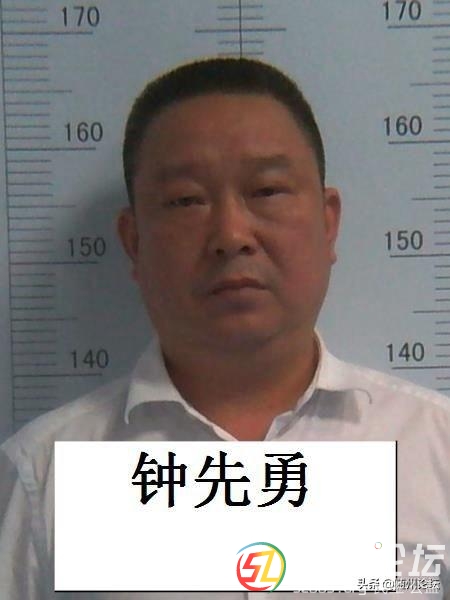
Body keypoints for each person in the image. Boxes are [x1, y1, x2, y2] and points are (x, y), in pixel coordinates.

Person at [0, 57, 449, 599]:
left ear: (328, 222)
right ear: (134, 242)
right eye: (186, 200)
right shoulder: (43, 472)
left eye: (267, 191)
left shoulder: (436, 449)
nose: (231, 235)